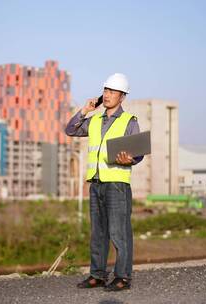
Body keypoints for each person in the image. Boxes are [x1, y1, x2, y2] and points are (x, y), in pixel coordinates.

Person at [65, 73, 143, 292]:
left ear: (122, 96)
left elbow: (138, 153)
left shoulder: (129, 121)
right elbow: (70, 130)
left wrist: (132, 159)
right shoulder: (95, 120)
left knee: (120, 233)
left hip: (117, 184)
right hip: (96, 183)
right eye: (105, 91)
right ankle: (97, 275)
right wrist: (85, 110)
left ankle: (122, 278)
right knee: (98, 233)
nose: (107, 95)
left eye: (112, 92)